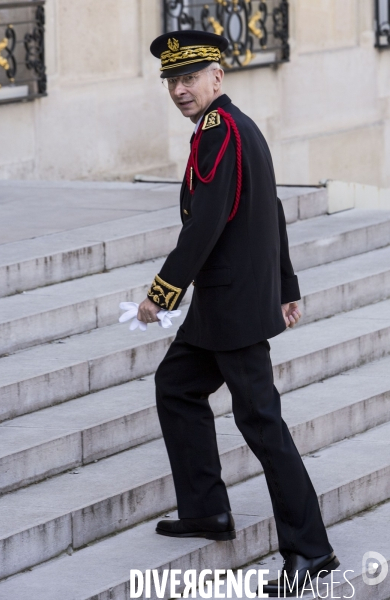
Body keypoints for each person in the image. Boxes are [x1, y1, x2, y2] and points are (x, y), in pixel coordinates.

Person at [137, 30, 339, 597]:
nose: (180, 90)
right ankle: (206, 510)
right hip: (227, 307)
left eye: (190, 78)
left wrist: (163, 290)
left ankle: (311, 549)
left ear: (216, 78)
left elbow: (207, 222)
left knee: (263, 426)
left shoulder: (219, 131)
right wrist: (287, 285)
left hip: (230, 310)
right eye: (172, 81)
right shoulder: (239, 126)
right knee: (176, 386)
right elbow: (270, 206)